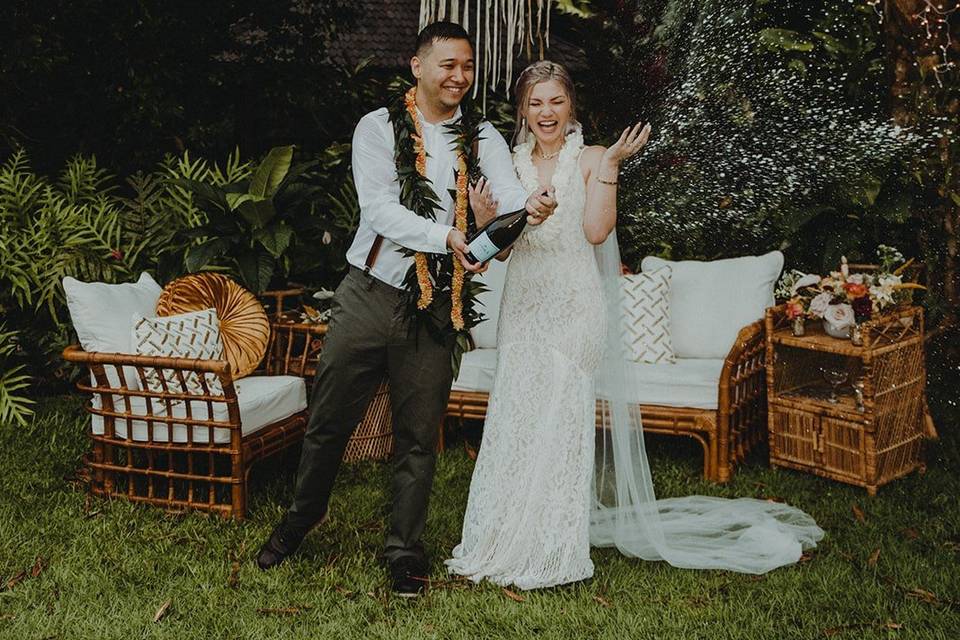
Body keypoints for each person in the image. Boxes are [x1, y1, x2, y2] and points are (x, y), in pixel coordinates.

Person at [445, 61, 824, 590]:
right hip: (526, 307)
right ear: (522, 111)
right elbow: (504, 255)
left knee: (558, 422)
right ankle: (502, 534)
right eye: (535, 103)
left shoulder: (594, 157)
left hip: (574, 307)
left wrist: (613, 166)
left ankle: (551, 544)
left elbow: (597, 232)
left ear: (570, 103)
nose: (546, 112)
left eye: (555, 101)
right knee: (517, 416)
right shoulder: (510, 165)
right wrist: (486, 217)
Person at [255, 22, 557, 599]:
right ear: (417, 66)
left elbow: (511, 197)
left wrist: (530, 207)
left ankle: (404, 549)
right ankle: (301, 518)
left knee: (418, 436)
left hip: (438, 306)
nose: (459, 76)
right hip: (368, 295)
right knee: (328, 422)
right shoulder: (377, 128)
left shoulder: (482, 134)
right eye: (447, 64)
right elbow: (378, 210)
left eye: (467, 66)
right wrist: (447, 233)